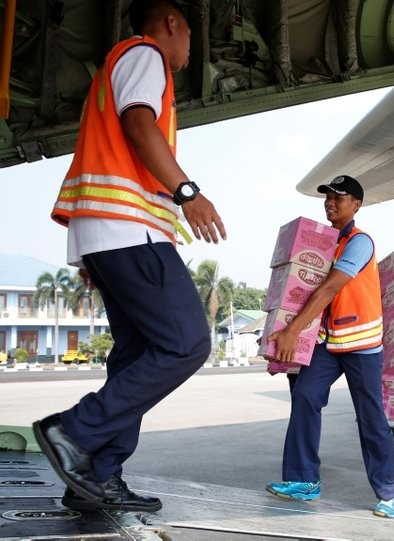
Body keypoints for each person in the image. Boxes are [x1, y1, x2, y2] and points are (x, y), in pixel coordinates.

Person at [32, 0, 226, 513]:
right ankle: (73, 431)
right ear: (170, 24)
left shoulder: (123, 65)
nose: (188, 49)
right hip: (128, 229)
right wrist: (188, 192)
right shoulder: (144, 55)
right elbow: (139, 126)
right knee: (187, 344)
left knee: (137, 357)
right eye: (188, 34)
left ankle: (96, 478)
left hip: (107, 235)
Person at [265, 175, 394, 519]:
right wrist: (278, 329)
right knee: (306, 396)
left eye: (339, 197)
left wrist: (293, 331)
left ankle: (387, 491)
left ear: (356, 205)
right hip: (329, 341)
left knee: (370, 418)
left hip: (361, 344)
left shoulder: (359, 242)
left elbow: (327, 290)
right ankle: (304, 480)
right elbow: (299, 289)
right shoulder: (326, 244)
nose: (330, 202)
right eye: (327, 196)